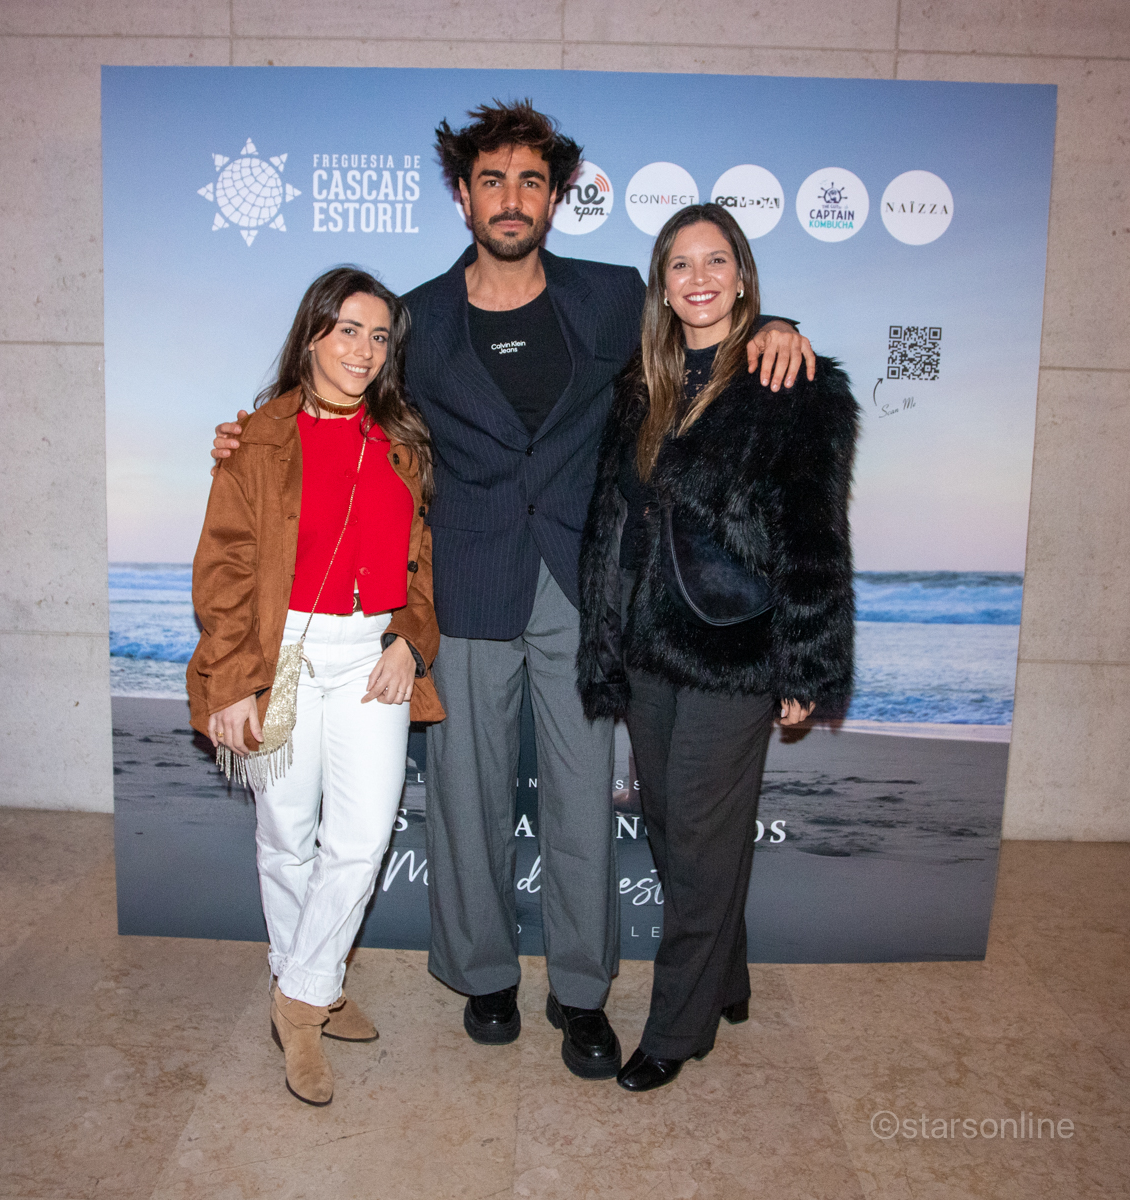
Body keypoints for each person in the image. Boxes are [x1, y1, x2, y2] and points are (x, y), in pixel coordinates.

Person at [211, 100, 815, 1081]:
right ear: (463, 196)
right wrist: (252, 435)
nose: (510, 197)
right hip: (464, 586)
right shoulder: (415, 319)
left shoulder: (612, 297)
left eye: (531, 180)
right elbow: (343, 401)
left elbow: (704, 329)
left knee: (580, 802)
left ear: (555, 196)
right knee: (466, 800)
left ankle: (580, 991)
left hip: (581, 586)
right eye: (491, 179)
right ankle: (483, 974)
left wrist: (778, 326)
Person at [577, 203, 857, 1092]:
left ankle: (678, 1028)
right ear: (662, 286)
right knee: (671, 827)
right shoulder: (641, 386)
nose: (698, 279)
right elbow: (618, 521)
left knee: (698, 838)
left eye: (716, 261)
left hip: (737, 650)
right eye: (680, 264)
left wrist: (807, 661)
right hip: (649, 645)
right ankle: (725, 978)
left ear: (742, 277)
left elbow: (814, 533)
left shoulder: (793, 379)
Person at [187, 267, 444, 1107]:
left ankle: (298, 1000)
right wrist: (234, 682)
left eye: (379, 336)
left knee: (361, 839)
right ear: (312, 336)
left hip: (371, 654)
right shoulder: (258, 439)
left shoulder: (404, 441)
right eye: (347, 331)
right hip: (285, 654)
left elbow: (422, 561)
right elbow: (225, 568)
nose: (364, 351)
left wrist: (409, 639)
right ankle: (312, 985)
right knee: (287, 835)